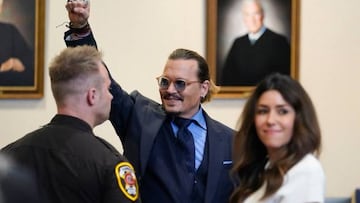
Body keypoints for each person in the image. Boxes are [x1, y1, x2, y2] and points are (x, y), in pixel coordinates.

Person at [64, 1, 234, 202]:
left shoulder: (232, 141)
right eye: (164, 82)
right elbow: (102, 79)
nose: (170, 90)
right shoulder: (139, 117)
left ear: (203, 88)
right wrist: (80, 28)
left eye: (180, 83)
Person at [1, 45, 140, 203]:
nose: (111, 97)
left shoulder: (9, 155)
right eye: (108, 89)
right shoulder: (109, 163)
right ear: (92, 95)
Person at [230, 73, 325, 203]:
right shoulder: (266, 166)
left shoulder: (306, 169)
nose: (270, 120)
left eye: (282, 111)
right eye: (263, 111)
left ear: (299, 119)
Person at [220, 0, 290, 86]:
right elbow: (226, 79)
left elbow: (284, 79)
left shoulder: (279, 42)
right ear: (244, 18)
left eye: (256, 14)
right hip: (238, 98)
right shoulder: (238, 44)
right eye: (248, 15)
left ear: (263, 15)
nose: (252, 19)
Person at [0, 0, 34, 86]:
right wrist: (1, 68)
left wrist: (19, 62)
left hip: (12, 92)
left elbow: (31, 59)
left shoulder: (10, 30)